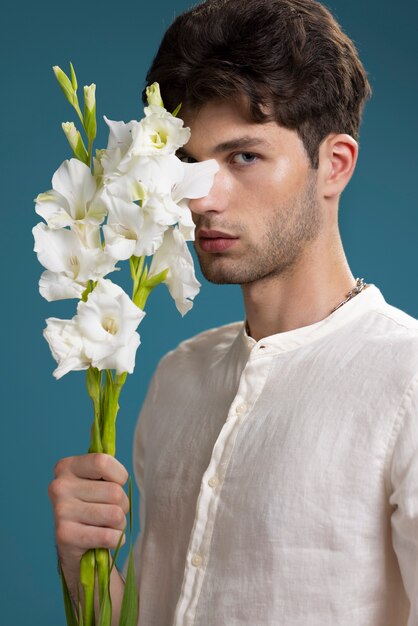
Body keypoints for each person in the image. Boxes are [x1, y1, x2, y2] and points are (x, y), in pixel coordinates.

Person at [48, 0, 418, 624]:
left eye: (243, 157)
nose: (203, 198)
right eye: (188, 164)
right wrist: (84, 565)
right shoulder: (176, 377)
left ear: (334, 164)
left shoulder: (406, 382)